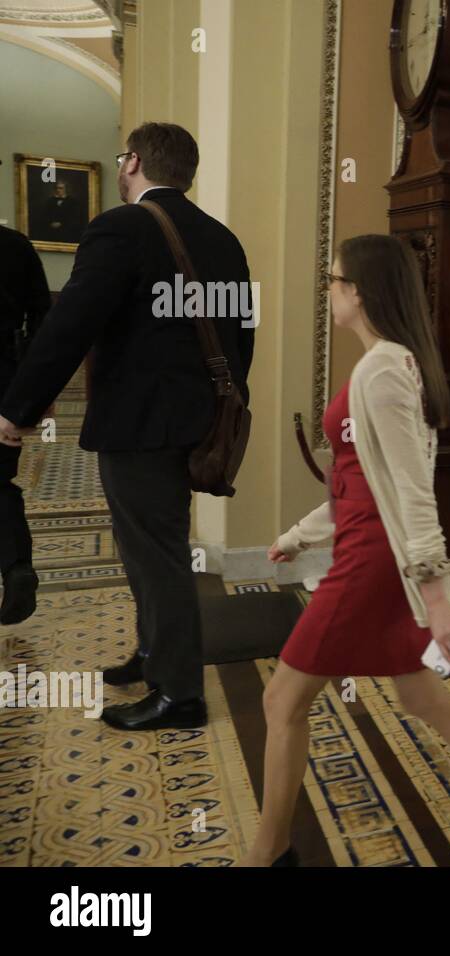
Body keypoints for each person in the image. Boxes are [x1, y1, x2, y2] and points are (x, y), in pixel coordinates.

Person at [241, 235, 450, 867]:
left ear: (360, 291)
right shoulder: (389, 363)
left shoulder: (382, 369)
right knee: (418, 694)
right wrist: (298, 535)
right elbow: (361, 484)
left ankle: (268, 853)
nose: (328, 289)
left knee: (283, 698)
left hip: (374, 562)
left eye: (333, 279)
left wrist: (437, 599)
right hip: (366, 545)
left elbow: (412, 495)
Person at [0, 122, 254, 730]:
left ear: (133, 161)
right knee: (148, 548)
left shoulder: (121, 227)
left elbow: (70, 326)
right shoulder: (222, 238)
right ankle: (151, 652)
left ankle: (179, 694)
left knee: (157, 553)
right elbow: (240, 328)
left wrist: (18, 407)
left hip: (141, 423)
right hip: (198, 421)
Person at [0, 221, 51, 624]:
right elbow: (43, 322)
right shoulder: (16, 247)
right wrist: (33, 394)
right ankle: (16, 565)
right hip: (7, 383)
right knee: (0, 482)